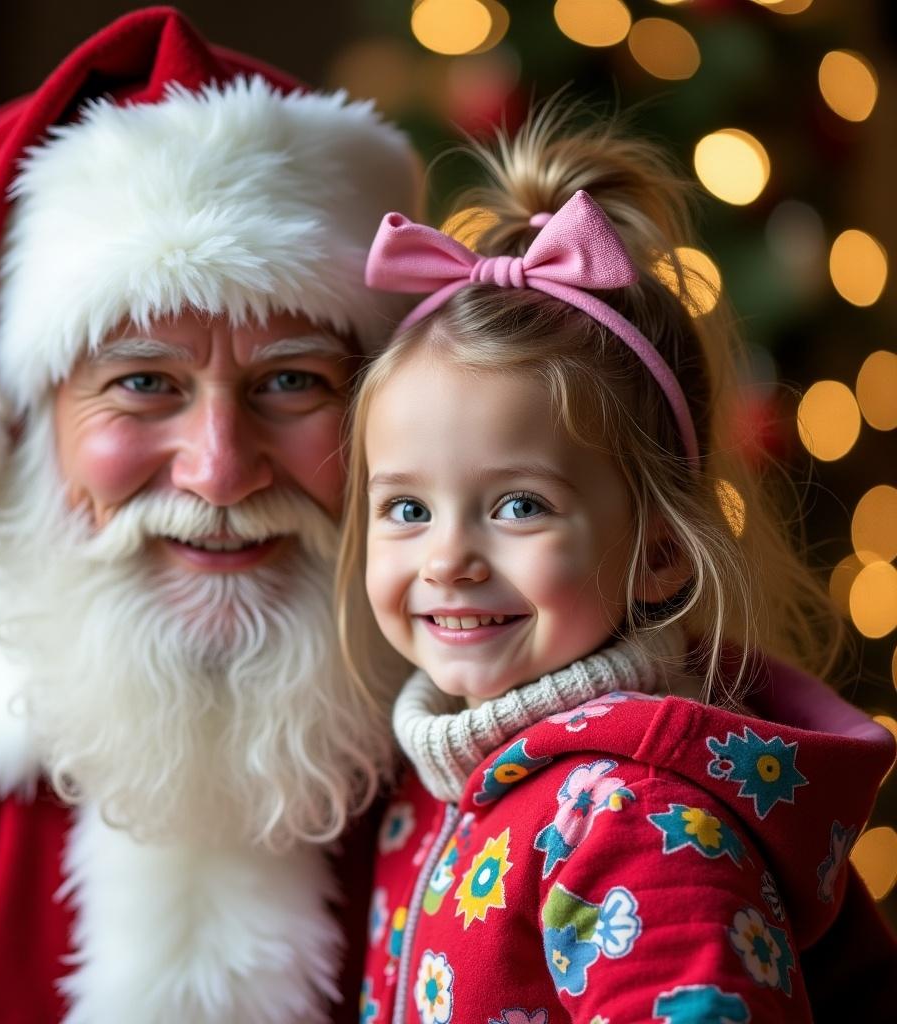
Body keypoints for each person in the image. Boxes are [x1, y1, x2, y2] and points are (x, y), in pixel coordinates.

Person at [0, 7, 421, 1022]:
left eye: (292, 380)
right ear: (31, 422)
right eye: (142, 385)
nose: (218, 471)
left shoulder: (517, 757)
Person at [336, 109, 897, 1022]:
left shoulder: (633, 819)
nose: (445, 557)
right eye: (407, 508)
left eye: (519, 505)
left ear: (662, 554)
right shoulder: (425, 783)